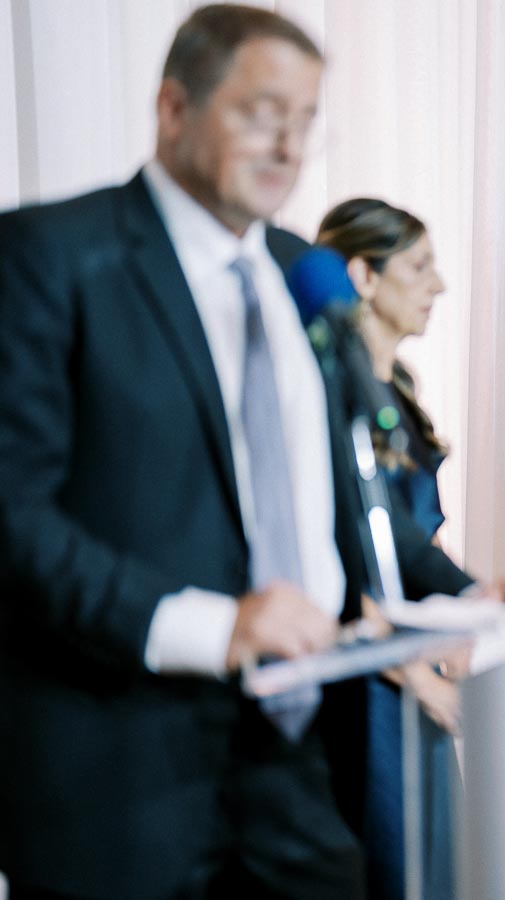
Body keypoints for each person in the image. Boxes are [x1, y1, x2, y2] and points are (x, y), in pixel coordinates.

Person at [0, 6, 473, 897]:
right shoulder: (49, 256)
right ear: (174, 109)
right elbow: (15, 518)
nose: (287, 144)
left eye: (304, 121)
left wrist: (470, 592)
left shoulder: (305, 274)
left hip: (295, 764)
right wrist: (214, 627)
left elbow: (343, 497)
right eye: (262, 113)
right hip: (118, 771)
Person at [316, 197, 457, 900]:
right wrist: (418, 671)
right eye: (421, 266)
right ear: (363, 276)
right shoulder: (323, 400)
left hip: (420, 667)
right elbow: (344, 562)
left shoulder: (397, 398)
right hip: (369, 683)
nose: (438, 286)